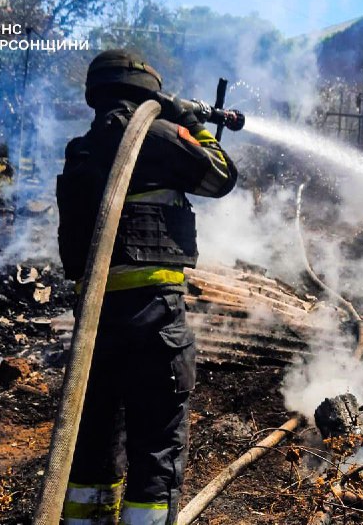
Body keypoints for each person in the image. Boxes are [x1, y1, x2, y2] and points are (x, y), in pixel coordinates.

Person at [55, 49, 237, 525]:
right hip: (154, 317)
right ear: (147, 93)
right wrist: (193, 123)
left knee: (93, 440)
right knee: (156, 444)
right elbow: (220, 176)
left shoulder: (83, 149)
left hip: (94, 323)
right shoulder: (156, 136)